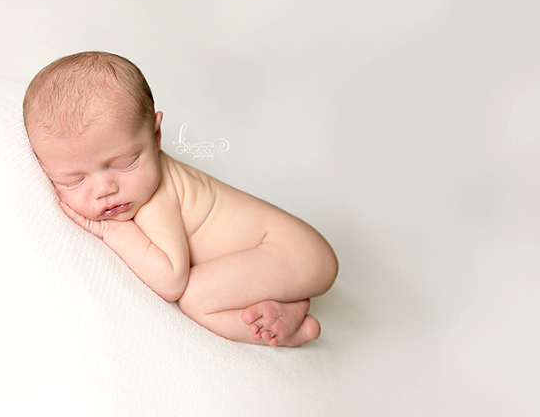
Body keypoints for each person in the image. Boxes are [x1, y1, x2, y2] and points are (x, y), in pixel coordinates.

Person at [22, 51, 338, 346]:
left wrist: (112, 230)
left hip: (293, 252)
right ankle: (288, 303)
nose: (104, 189)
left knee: (195, 297)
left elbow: (171, 280)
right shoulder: (133, 186)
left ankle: (294, 332)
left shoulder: (157, 197)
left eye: (124, 163)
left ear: (156, 136)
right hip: (288, 255)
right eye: (75, 179)